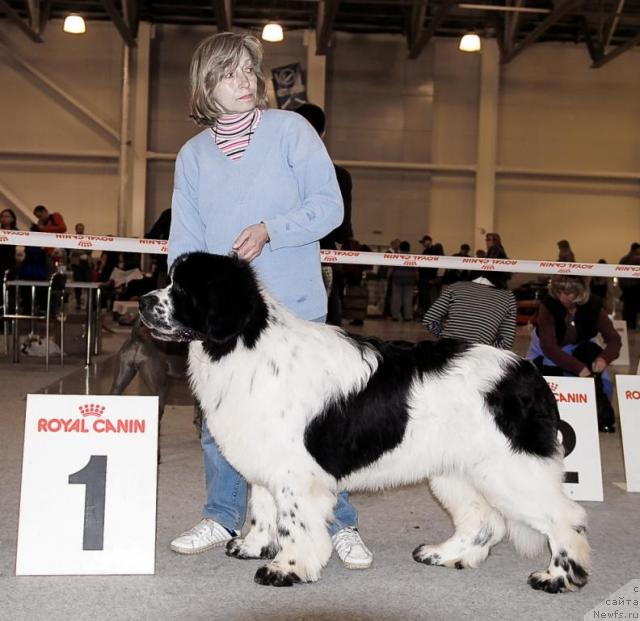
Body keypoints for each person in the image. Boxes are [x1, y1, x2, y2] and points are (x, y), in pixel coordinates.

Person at [167, 32, 372, 569]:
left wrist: (270, 229)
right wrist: (180, 297)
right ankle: (223, 514)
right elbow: (183, 239)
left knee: (316, 422)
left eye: (247, 72)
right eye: (228, 73)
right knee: (222, 419)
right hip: (221, 313)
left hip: (295, 302)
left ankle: (340, 523)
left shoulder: (291, 131)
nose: (243, 83)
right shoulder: (191, 156)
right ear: (205, 85)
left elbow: (329, 208)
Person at [526, 275, 621, 432]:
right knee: (542, 386)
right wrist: (579, 369)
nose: (564, 297)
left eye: (571, 292)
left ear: (581, 292)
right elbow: (549, 347)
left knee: (605, 381)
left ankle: (600, 418)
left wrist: (604, 358)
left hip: (581, 346)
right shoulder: (547, 306)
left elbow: (614, 339)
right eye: (560, 291)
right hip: (545, 351)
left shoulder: (595, 306)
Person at [293, 103, 353, 327]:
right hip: (324, 258)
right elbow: (342, 230)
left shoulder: (280, 173)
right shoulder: (339, 175)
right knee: (325, 325)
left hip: (285, 256)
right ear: (323, 133)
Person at [422, 271, 516, 349]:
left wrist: (446, 338)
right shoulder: (508, 296)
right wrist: (487, 350)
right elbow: (506, 341)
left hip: (447, 353)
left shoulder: (455, 287)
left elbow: (429, 320)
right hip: (479, 358)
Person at [390, 241, 417, 321]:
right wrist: (415, 279)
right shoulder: (412, 257)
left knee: (396, 298)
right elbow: (415, 270)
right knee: (408, 298)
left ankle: (395, 315)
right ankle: (407, 316)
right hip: (409, 279)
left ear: (400, 248)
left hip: (397, 278)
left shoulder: (397, 256)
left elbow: (392, 268)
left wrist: (390, 277)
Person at [68, 223, 91, 310]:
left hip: (86, 263)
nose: (81, 230)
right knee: (78, 283)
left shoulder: (87, 238)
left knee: (88, 283)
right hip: (77, 264)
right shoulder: (72, 239)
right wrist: (81, 251)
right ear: (76, 229)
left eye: (82, 229)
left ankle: (88, 302)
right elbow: (72, 249)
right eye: (79, 229)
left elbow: (90, 249)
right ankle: (78, 302)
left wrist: (82, 251)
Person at [618, 242, 640, 329]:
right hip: (635, 287)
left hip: (625, 288)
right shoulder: (638, 259)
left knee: (627, 307)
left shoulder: (624, 259)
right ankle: (633, 325)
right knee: (634, 307)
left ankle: (626, 324)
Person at [0, 208, 18, 278]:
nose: (3, 218)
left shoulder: (17, 233)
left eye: (6, 216)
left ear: (12, 219)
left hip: (11, 260)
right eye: (2, 216)